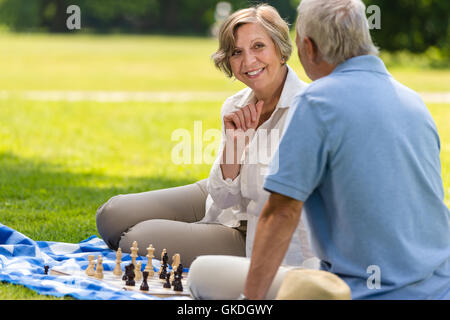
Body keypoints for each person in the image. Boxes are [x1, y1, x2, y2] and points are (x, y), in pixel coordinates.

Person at [188, 0, 450, 300]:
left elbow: (281, 213)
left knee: (201, 274)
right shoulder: (413, 101)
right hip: (439, 286)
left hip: (361, 291)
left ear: (308, 47)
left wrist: (251, 303)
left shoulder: (316, 102)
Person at [96, 4, 315, 268]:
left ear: (281, 50)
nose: (248, 61)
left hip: (254, 231)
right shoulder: (236, 105)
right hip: (223, 198)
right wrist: (235, 147)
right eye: (237, 52)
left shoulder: (308, 110)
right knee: (111, 216)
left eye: (258, 46)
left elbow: (277, 201)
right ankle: (194, 229)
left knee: (136, 239)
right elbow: (222, 195)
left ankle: (194, 235)